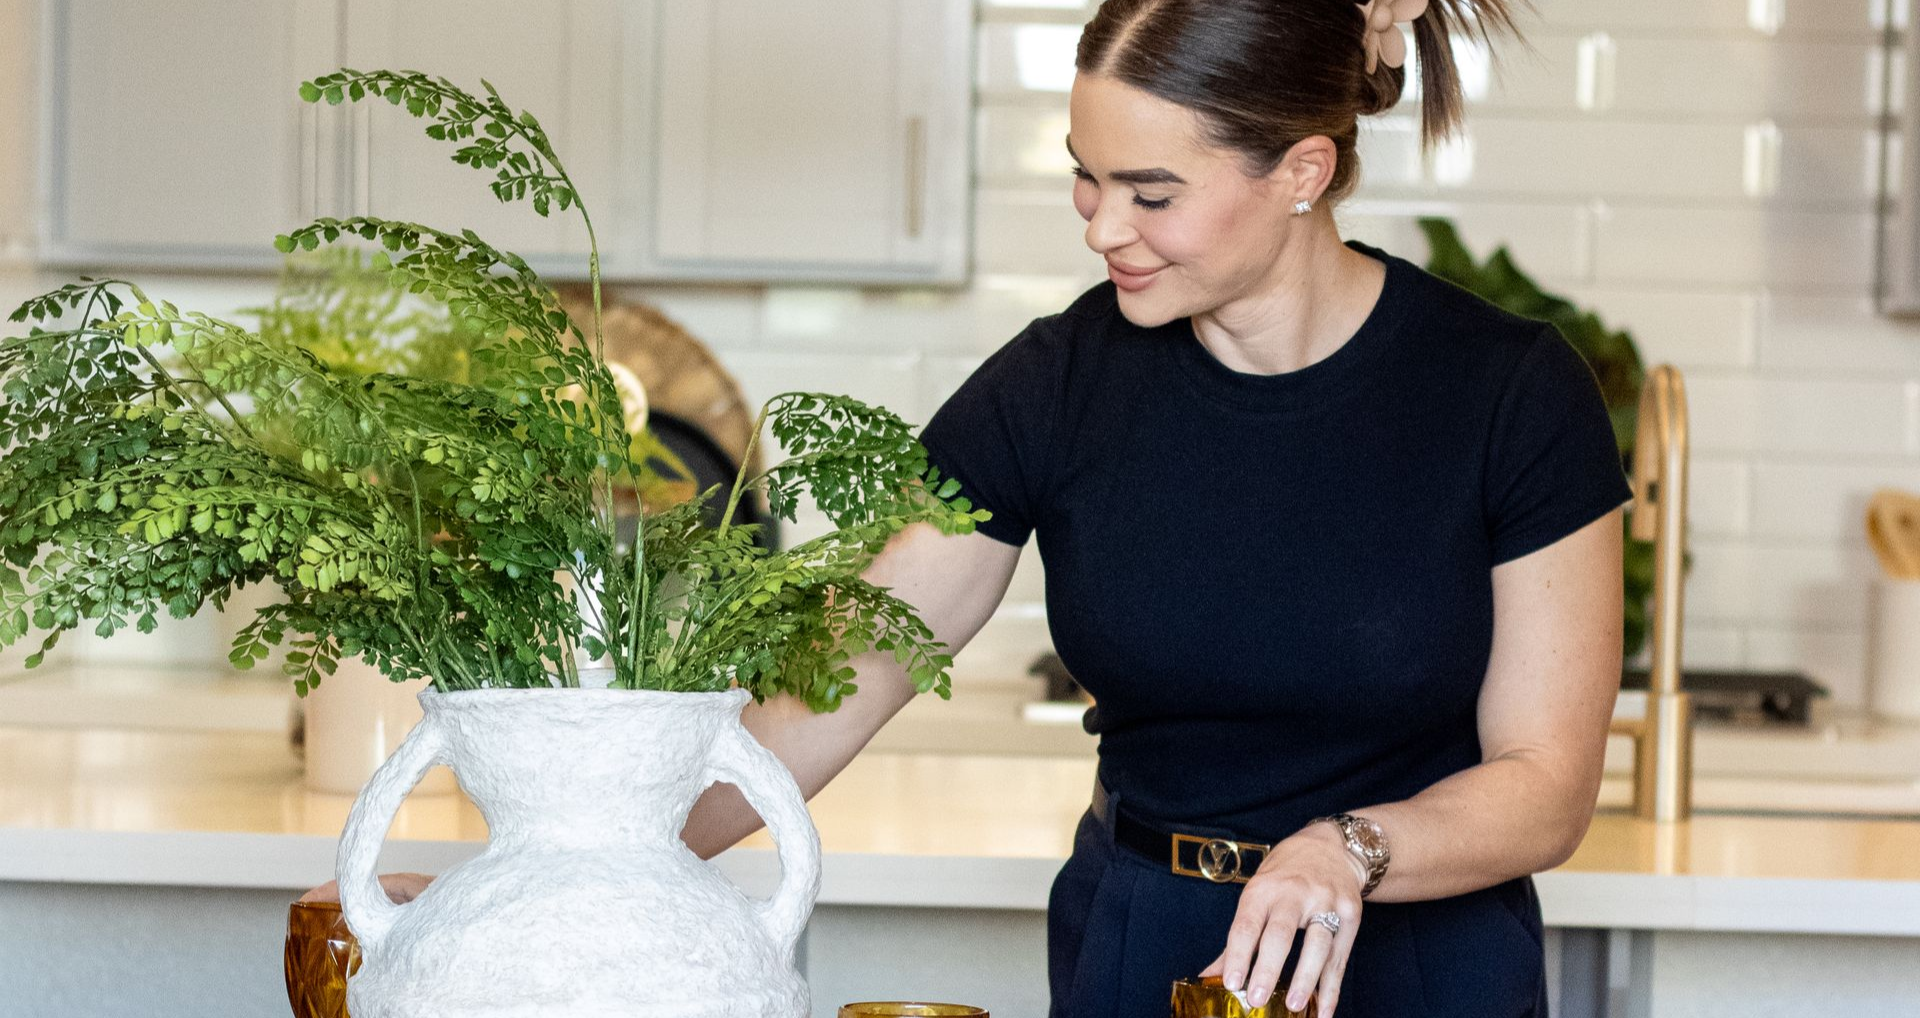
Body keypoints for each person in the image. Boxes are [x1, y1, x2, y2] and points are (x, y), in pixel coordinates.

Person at [310, 1, 1630, 1015]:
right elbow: (842, 679)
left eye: (1152, 193)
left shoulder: (1507, 394)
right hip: (1141, 943)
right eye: (1086, 176)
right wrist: (547, 879)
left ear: (1301, 169)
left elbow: (1546, 785)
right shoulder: (1060, 382)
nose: (1102, 227)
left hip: (1417, 957)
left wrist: (1351, 849)